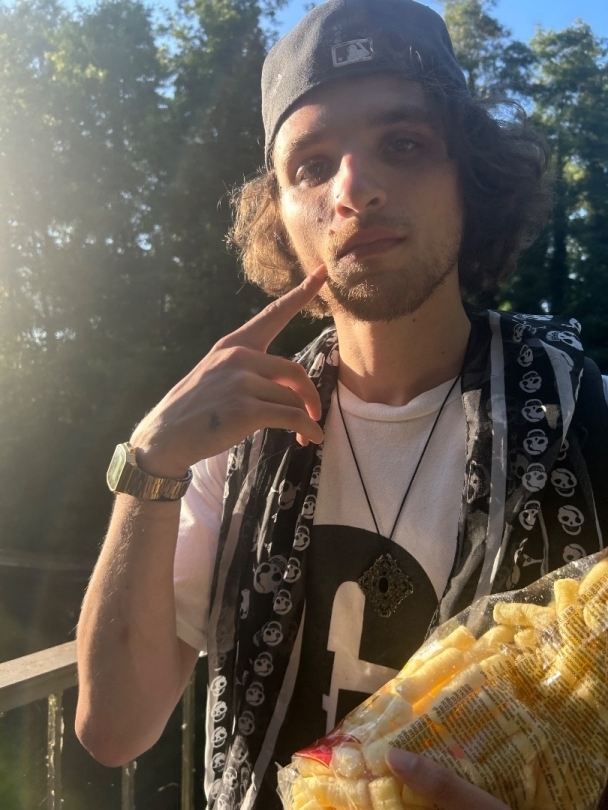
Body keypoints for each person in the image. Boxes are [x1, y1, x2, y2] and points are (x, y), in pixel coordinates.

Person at [75, 1, 608, 809]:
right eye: (312, 166)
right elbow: (115, 728)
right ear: (282, 220)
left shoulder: (588, 423)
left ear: (469, 178)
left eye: (404, 144)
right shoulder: (230, 445)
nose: (355, 189)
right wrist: (149, 460)